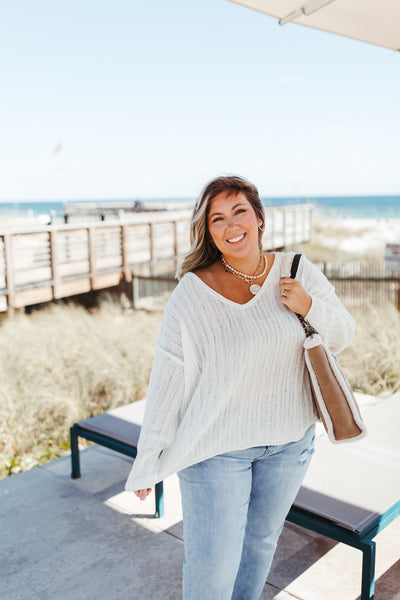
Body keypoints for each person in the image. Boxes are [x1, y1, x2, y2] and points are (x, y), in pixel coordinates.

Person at [125, 175, 355, 600]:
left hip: (289, 445)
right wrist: (148, 456)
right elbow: (168, 378)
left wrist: (308, 305)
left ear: (259, 217)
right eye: (217, 218)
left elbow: (344, 334)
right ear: (208, 230)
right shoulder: (192, 293)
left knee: (258, 550)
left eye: (239, 212)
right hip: (216, 451)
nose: (231, 225)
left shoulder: (297, 271)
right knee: (212, 570)